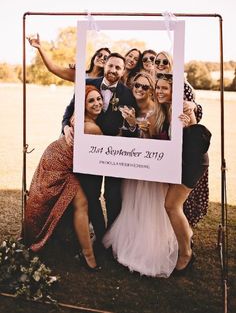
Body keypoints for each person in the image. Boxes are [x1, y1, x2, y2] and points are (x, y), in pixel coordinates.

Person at [103, 72, 179, 278]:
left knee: (149, 211)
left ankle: (147, 250)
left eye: (145, 87)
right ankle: (129, 242)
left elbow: (153, 140)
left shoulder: (157, 111)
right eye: (137, 85)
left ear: (151, 91)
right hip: (132, 170)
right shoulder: (130, 107)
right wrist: (129, 125)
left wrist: (135, 126)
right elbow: (124, 136)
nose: (139, 89)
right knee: (131, 207)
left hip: (151, 174)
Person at [60, 53, 138, 253]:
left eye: (118, 68)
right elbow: (69, 112)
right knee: (91, 195)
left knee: (113, 196)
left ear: (123, 71)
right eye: (111, 66)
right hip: (89, 152)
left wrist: (129, 128)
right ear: (105, 66)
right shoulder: (87, 83)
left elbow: (132, 128)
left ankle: (112, 239)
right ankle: (100, 235)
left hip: (114, 154)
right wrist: (66, 128)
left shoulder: (128, 93)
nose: (113, 70)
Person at [23, 85, 104, 271]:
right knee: (81, 203)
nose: (97, 103)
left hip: (58, 157)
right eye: (91, 100)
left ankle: (79, 248)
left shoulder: (80, 119)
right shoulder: (92, 127)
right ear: (82, 105)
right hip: (58, 163)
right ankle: (88, 255)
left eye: (99, 98)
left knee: (77, 203)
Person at [153, 74, 210, 273]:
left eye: (164, 88)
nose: (160, 91)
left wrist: (188, 125)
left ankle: (186, 254)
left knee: (171, 205)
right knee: (172, 206)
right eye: (157, 87)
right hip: (178, 162)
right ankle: (183, 244)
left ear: (173, 91)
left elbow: (197, 138)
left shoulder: (184, 107)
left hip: (192, 162)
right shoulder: (163, 109)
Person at [155, 51, 209, 228]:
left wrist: (191, 108)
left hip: (188, 154)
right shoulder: (154, 84)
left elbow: (193, 113)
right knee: (171, 202)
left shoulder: (182, 86)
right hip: (169, 150)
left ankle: (185, 244)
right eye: (157, 61)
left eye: (165, 61)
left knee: (176, 203)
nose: (160, 64)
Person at [27, 34, 111, 81]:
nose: (102, 58)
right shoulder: (80, 75)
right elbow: (52, 68)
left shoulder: (108, 80)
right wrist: (40, 48)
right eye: (99, 55)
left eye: (106, 58)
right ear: (94, 57)